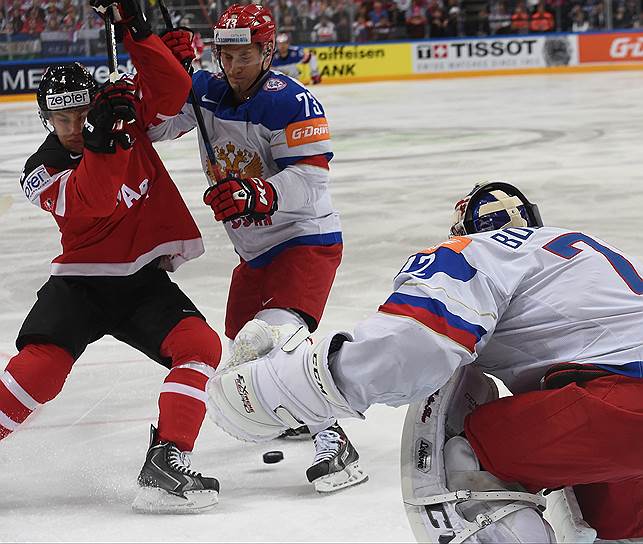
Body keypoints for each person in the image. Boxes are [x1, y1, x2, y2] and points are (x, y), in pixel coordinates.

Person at [208, 181, 643, 541]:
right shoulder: (590, 251)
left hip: (621, 408)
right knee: (613, 522)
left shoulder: (481, 249)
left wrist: (273, 388)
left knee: (465, 458)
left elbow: (414, 343)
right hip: (622, 424)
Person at [4, 0, 222, 514]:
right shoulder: (42, 170)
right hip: (81, 285)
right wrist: (105, 143)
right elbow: (92, 202)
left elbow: (172, 95)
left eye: (82, 111)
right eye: (63, 116)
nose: (75, 124)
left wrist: (137, 33)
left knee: (199, 345)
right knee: (38, 373)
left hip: (140, 282)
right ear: (45, 118)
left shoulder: (121, 120)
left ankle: (168, 460)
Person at [151, 3, 367, 493]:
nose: (232, 66)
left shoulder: (292, 102)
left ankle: (336, 442)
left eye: (243, 54)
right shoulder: (203, 90)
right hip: (253, 254)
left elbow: (311, 184)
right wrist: (161, 71)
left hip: (304, 242)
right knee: (248, 352)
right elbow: (155, 128)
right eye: (224, 54)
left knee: (270, 342)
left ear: (267, 50)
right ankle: (296, 412)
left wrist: (259, 192)